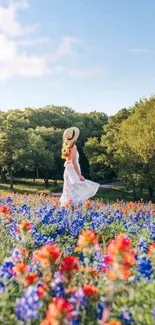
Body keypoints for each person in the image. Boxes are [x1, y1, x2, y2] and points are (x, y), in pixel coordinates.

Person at [60, 127, 99, 206]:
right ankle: (74, 206)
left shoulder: (66, 146)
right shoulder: (73, 147)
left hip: (67, 170)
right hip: (72, 170)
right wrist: (79, 175)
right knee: (79, 186)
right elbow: (74, 162)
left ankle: (68, 206)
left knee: (69, 189)